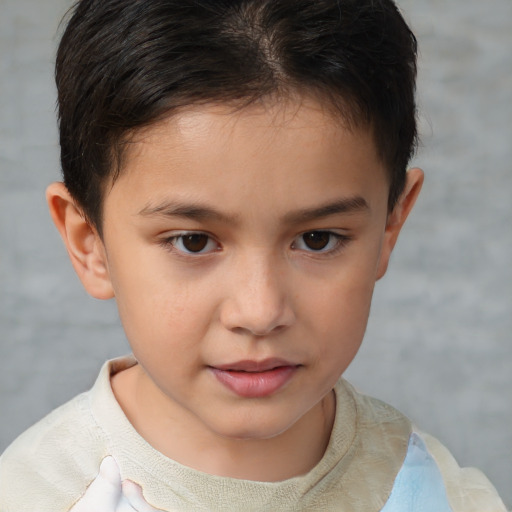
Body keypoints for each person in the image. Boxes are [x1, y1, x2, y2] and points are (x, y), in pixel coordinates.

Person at [0, 0, 507, 510]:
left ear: (389, 227)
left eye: (317, 239)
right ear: (89, 243)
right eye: (193, 241)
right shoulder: (30, 497)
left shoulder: (442, 496)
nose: (260, 312)